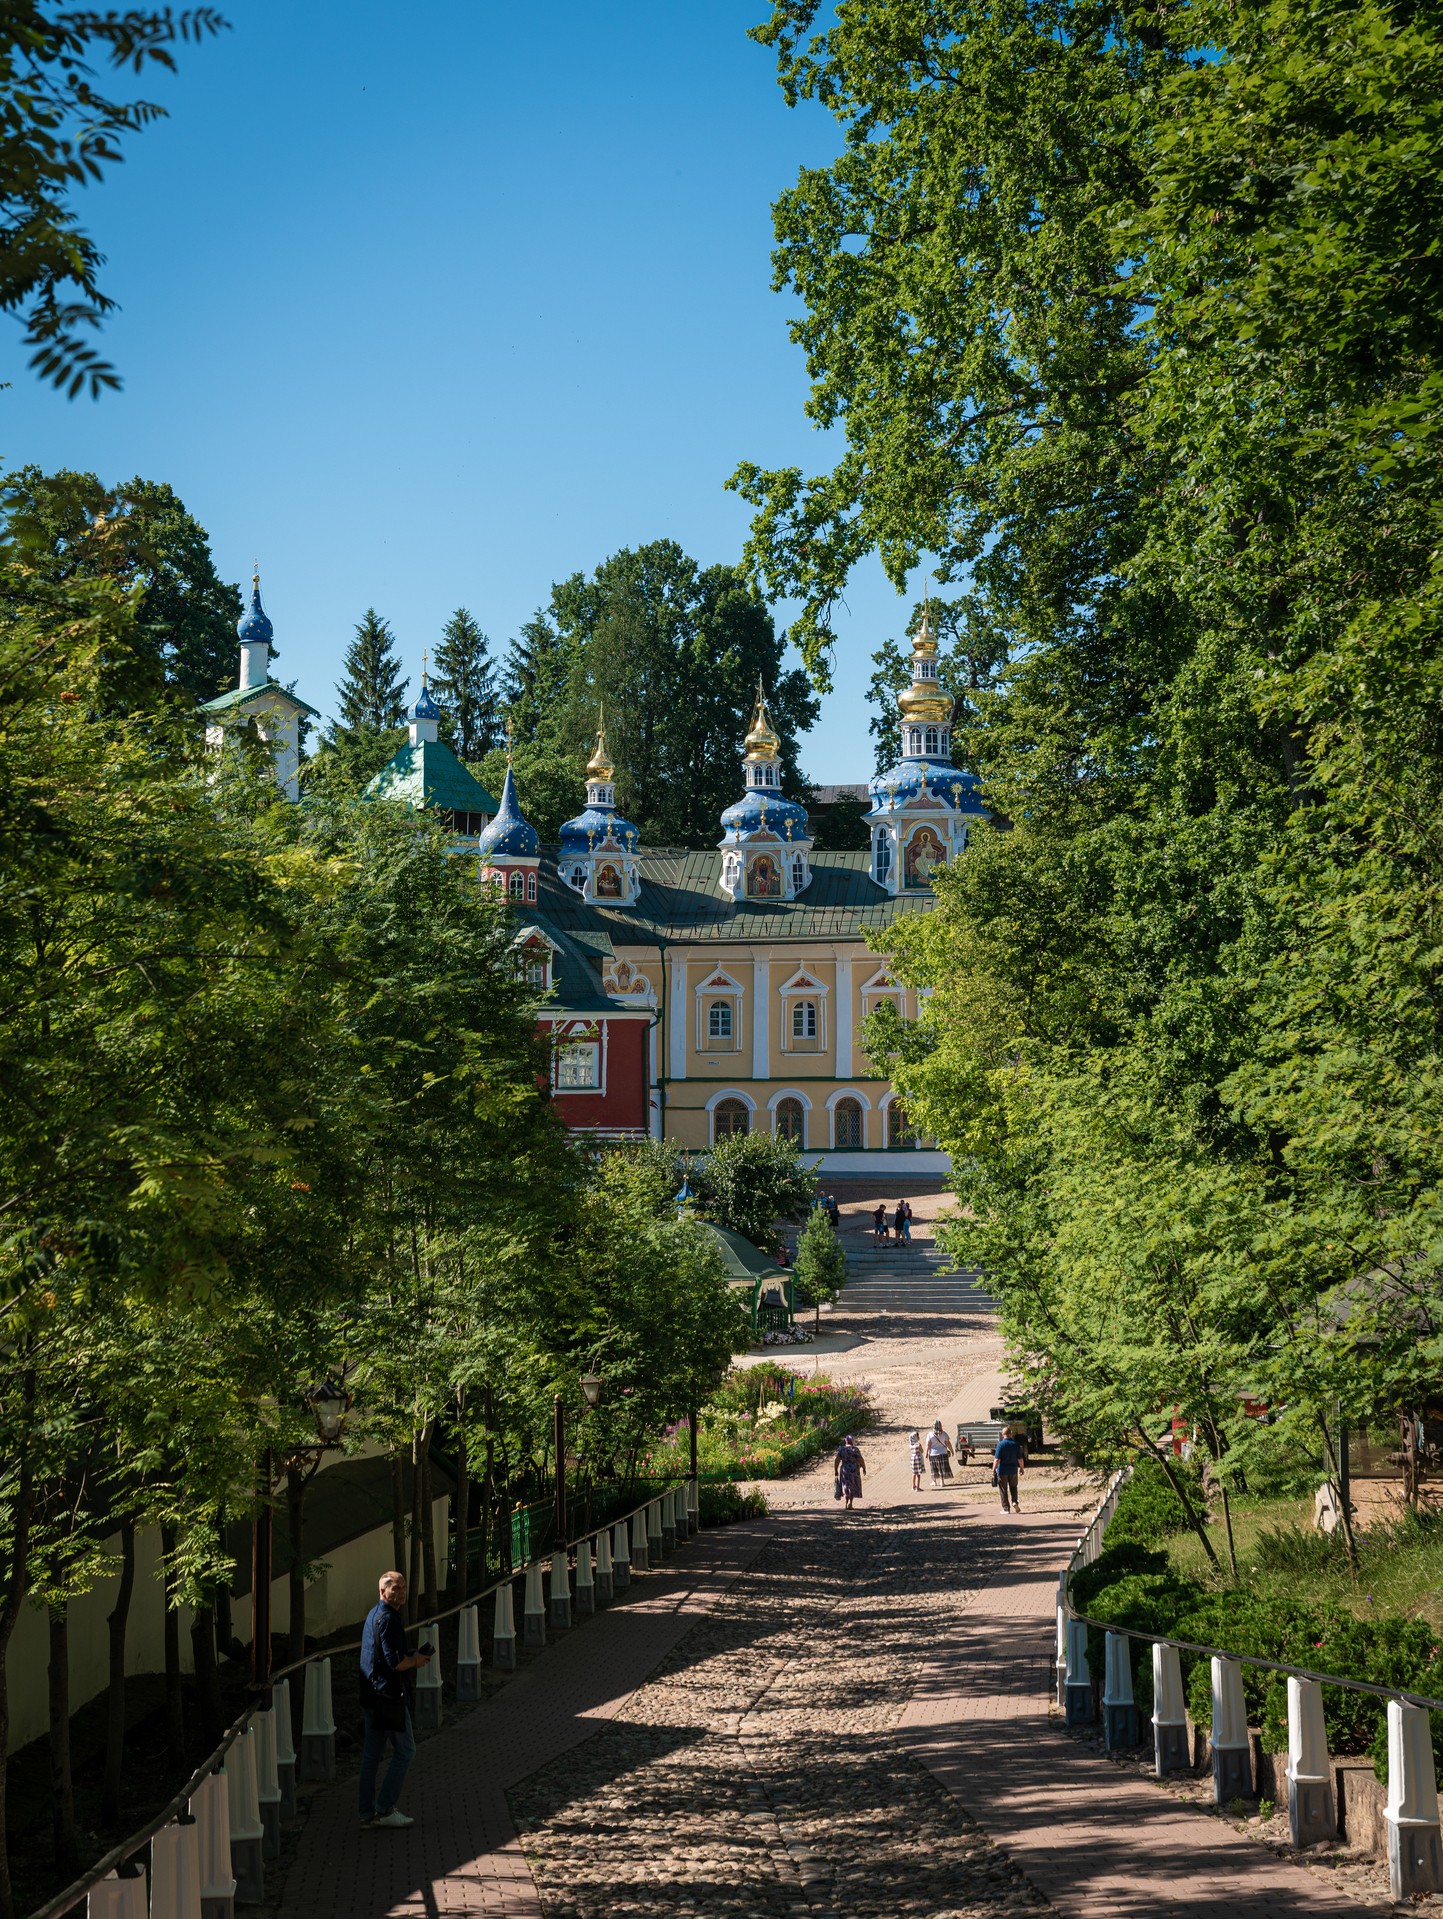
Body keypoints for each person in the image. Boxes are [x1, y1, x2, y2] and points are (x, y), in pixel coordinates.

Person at [358, 1570, 433, 1829]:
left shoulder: (373, 1614)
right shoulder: (389, 1618)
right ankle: (385, 1807)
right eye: (395, 1589)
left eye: (403, 1587)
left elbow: (382, 1653)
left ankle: (366, 1813)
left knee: (372, 1755)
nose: (400, 1593)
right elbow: (395, 1663)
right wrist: (415, 1661)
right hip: (387, 1697)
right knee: (407, 1751)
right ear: (382, 1591)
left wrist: (409, 1653)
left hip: (371, 1694)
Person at [993, 1428, 1025, 1512]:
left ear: (1002, 1434)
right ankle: (1014, 1502)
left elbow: (997, 1459)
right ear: (1011, 1433)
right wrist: (1021, 1468)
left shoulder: (1000, 1444)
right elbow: (1020, 1458)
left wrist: (993, 1469)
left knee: (1003, 1489)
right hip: (1013, 1469)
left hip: (1002, 1470)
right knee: (1014, 1487)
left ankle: (1006, 1508)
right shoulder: (1016, 1444)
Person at [834, 1433, 867, 1509]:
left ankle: (846, 1502)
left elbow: (837, 1460)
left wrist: (836, 1470)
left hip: (844, 1469)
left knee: (846, 1486)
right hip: (854, 1469)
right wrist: (864, 1468)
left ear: (846, 1441)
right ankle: (850, 1503)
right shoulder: (855, 1449)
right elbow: (860, 1459)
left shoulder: (842, 1450)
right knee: (852, 1486)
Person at [925, 1419, 954, 1486]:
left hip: (933, 1454)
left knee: (934, 1468)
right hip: (943, 1453)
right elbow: (948, 1443)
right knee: (942, 1468)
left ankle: (934, 1481)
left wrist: (926, 1453)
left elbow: (928, 1444)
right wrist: (952, 1451)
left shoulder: (930, 1434)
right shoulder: (944, 1434)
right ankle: (942, 1481)